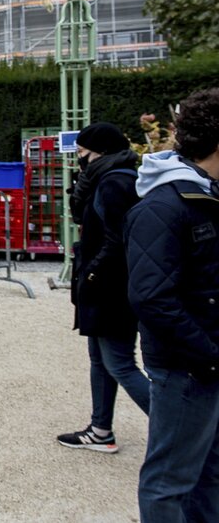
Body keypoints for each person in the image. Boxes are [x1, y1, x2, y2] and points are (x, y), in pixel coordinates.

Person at [126, 87, 219, 522]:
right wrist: (209, 354)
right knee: (170, 482)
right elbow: (151, 296)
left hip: (201, 361)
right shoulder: (166, 205)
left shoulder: (202, 196)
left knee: (206, 473)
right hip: (188, 366)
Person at [57, 123, 150, 453]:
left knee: (120, 363)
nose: (79, 161)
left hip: (110, 287)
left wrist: (93, 272)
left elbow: (116, 240)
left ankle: (184, 429)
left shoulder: (114, 183)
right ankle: (100, 429)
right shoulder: (111, 179)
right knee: (100, 358)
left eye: (83, 154)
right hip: (104, 284)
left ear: (101, 153)